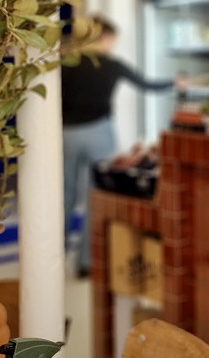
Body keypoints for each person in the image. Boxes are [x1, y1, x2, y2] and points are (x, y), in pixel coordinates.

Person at [61, 16, 180, 277]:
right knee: (96, 197)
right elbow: (147, 84)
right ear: (103, 38)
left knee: (64, 196)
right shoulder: (111, 66)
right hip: (98, 133)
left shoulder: (65, 63)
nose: (113, 45)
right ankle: (86, 264)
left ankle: (52, 259)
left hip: (66, 134)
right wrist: (175, 82)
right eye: (112, 40)